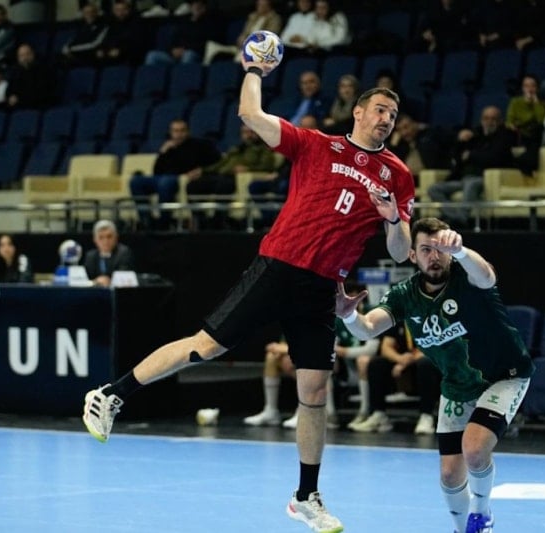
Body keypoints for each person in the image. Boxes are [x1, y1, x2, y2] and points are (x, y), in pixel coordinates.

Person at [81, 48, 415, 533]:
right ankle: (111, 394)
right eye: (380, 110)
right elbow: (250, 114)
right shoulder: (317, 144)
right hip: (279, 266)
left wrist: (391, 218)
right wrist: (255, 70)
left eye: (393, 115)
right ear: (358, 112)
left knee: (315, 390)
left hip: (323, 287)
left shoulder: (397, 175)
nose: (386, 119)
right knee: (206, 346)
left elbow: (402, 252)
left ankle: (306, 496)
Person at [335, 216, 534, 533]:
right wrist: (348, 316)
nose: (434, 256)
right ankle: (461, 529)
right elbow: (368, 327)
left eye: (440, 248)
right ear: (412, 255)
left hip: (504, 375)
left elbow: (487, 276)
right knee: (450, 475)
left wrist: (461, 251)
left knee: (474, 449)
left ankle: (481, 515)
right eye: (426, 249)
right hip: (458, 385)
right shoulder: (404, 295)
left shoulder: (467, 276)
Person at [243, 316, 378, 430]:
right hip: (331, 362)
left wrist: (285, 349)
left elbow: (323, 346)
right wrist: (283, 350)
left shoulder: (334, 317)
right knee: (273, 357)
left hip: (347, 367)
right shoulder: (293, 318)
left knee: (317, 360)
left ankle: (323, 414)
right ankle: (271, 411)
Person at [427, 105, 516, 226]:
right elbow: (458, 156)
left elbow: (493, 158)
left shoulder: (504, 136)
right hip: (463, 178)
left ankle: (461, 219)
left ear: (500, 121)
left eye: (493, 119)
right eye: (486, 118)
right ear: (481, 120)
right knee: (434, 189)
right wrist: (460, 140)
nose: (489, 122)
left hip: (483, 178)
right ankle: (455, 217)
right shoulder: (475, 135)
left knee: (471, 183)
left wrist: (471, 155)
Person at [349, 320, 441, 435]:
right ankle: (379, 414)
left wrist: (407, 361)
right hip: (401, 362)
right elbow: (385, 347)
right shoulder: (398, 319)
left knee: (426, 363)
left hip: (424, 360)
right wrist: (400, 359)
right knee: (377, 363)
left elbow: (436, 346)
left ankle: (426, 416)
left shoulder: (431, 318)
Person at [129, 119, 221, 229]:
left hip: (176, 178)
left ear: (188, 132)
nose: (179, 134)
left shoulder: (199, 145)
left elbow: (217, 160)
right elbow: (156, 171)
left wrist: (201, 170)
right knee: (136, 181)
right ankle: (146, 221)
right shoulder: (168, 147)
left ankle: (163, 223)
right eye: (176, 131)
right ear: (171, 133)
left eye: (182, 131)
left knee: (166, 182)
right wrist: (162, 152)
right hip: (162, 177)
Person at [186, 123, 277, 229]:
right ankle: (200, 220)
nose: (248, 135)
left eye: (251, 132)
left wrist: (248, 169)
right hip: (219, 175)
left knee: (223, 186)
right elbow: (220, 164)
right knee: (192, 185)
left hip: (233, 178)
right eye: (245, 132)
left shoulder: (263, 149)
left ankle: (217, 221)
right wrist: (202, 171)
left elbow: (267, 166)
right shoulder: (236, 149)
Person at [248, 114, 318, 228]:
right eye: (302, 126)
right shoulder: (296, 143)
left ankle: (282, 222)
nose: (305, 130)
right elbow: (285, 165)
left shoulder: (319, 147)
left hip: (301, 182)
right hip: (284, 177)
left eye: (308, 127)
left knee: (284, 186)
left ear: (316, 128)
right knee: (254, 186)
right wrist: (276, 174)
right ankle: (269, 219)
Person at [143, 0, 224, 66]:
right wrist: (172, 50)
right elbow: (174, 39)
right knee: (152, 56)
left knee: (188, 55)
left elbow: (207, 43)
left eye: (200, 6)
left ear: (204, 8)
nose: (196, 7)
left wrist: (185, 49)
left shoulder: (209, 24)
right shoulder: (184, 23)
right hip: (175, 56)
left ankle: (182, 79)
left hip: (194, 54)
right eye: (194, 5)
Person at [202, 0, 283, 65]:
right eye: (258, 3)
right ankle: (205, 69)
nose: (259, 4)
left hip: (258, 49)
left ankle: (236, 74)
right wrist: (241, 38)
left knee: (241, 56)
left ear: (269, 4)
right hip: (241, 46)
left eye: (262, 3)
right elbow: (244, 33)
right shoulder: (253, 16)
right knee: (211, 46)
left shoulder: (275, 18)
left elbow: (269, 38)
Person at [82, 219, 135, 286]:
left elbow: (124, 276)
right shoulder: (90, 256)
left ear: (116, 237)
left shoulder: (123, 253)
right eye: (101, 237)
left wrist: (109, 281)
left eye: (109, 237)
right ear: (95, 240)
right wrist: (96, 281)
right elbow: (85, 278)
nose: (105, 241)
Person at [97, 0, 147, 65]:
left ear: (128, 10)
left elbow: (137, 42)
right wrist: (102, 49)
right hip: (111, 54)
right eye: (117, 10)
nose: (120, 13)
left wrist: (120, 50)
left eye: (123, 10)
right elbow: (105, 40)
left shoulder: (137, 23)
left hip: (130, 54)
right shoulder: (111, 25)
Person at [61, 3, 109, 67]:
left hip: (91, 55)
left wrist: (71, 49)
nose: (89, 14)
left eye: (92, 12)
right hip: (77, 53)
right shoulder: (81, 26)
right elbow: (72, 40)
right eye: (86, 12)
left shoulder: (103, 26)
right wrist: (66, 48)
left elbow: (94, 44)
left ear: (96, 13)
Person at [6, 44, 53, 110]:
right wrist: (11, 97)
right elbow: (9, 91)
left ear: (33, 54)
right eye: (21, 55)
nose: (25, 58)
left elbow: (41, 93)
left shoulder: (43, 70)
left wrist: (19, 98)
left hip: (37, 107)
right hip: (19, 108)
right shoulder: (15, 72)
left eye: (27, 54)